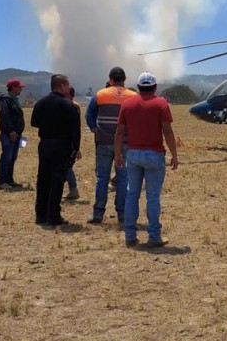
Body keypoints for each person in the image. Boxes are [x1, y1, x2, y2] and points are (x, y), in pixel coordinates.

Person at [114, 71, 178, 248]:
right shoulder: (161, 104)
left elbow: (119, 131)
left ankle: (130, 235)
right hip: (154, 154)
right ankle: (154, 236)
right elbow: (167, 130)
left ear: (139, 87)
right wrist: (174, 154)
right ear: (155, 87)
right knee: (152, 197)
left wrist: (117, 153)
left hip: (133, 154)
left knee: (132, 195)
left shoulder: (127, 104)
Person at [85, 67, 137, 225]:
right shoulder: (133, 96)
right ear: (125, 79)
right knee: (123, 179)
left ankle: (98, 214)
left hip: (104, 142)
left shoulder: (100, 94)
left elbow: (89, 114)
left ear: (110, 79)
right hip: (125, 143)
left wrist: (94, 128)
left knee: (102, 178)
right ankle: (122, 214)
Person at [30, 74, 81, 226]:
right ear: (63, 85)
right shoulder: (68, 106)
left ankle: (40, 215)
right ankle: (53, 216)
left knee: (43, 178)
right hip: (61, 145)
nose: (69, 87)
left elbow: (34, 123)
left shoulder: (40, 103)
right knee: (57, 179)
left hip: (44, 144)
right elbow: (75, 131)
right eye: (68, 85)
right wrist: (76, 148)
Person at [0, 78, 26, 190]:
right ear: (13, 87)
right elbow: (4, 115)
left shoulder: (14, 100)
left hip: (17, 134)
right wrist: (10, 131)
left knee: (12, 157)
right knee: (7, 157)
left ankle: (9, 180)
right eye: (19, 87)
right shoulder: (6, 99)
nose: (21, 89)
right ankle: (2, 181)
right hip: (9, 134)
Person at [65, 86, 82, 201]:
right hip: (71, 141)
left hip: (67, 142)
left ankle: (73, 189)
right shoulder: (75, 105)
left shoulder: (71, 107)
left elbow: (75, 128)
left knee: (66, 166)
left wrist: (76, 147)